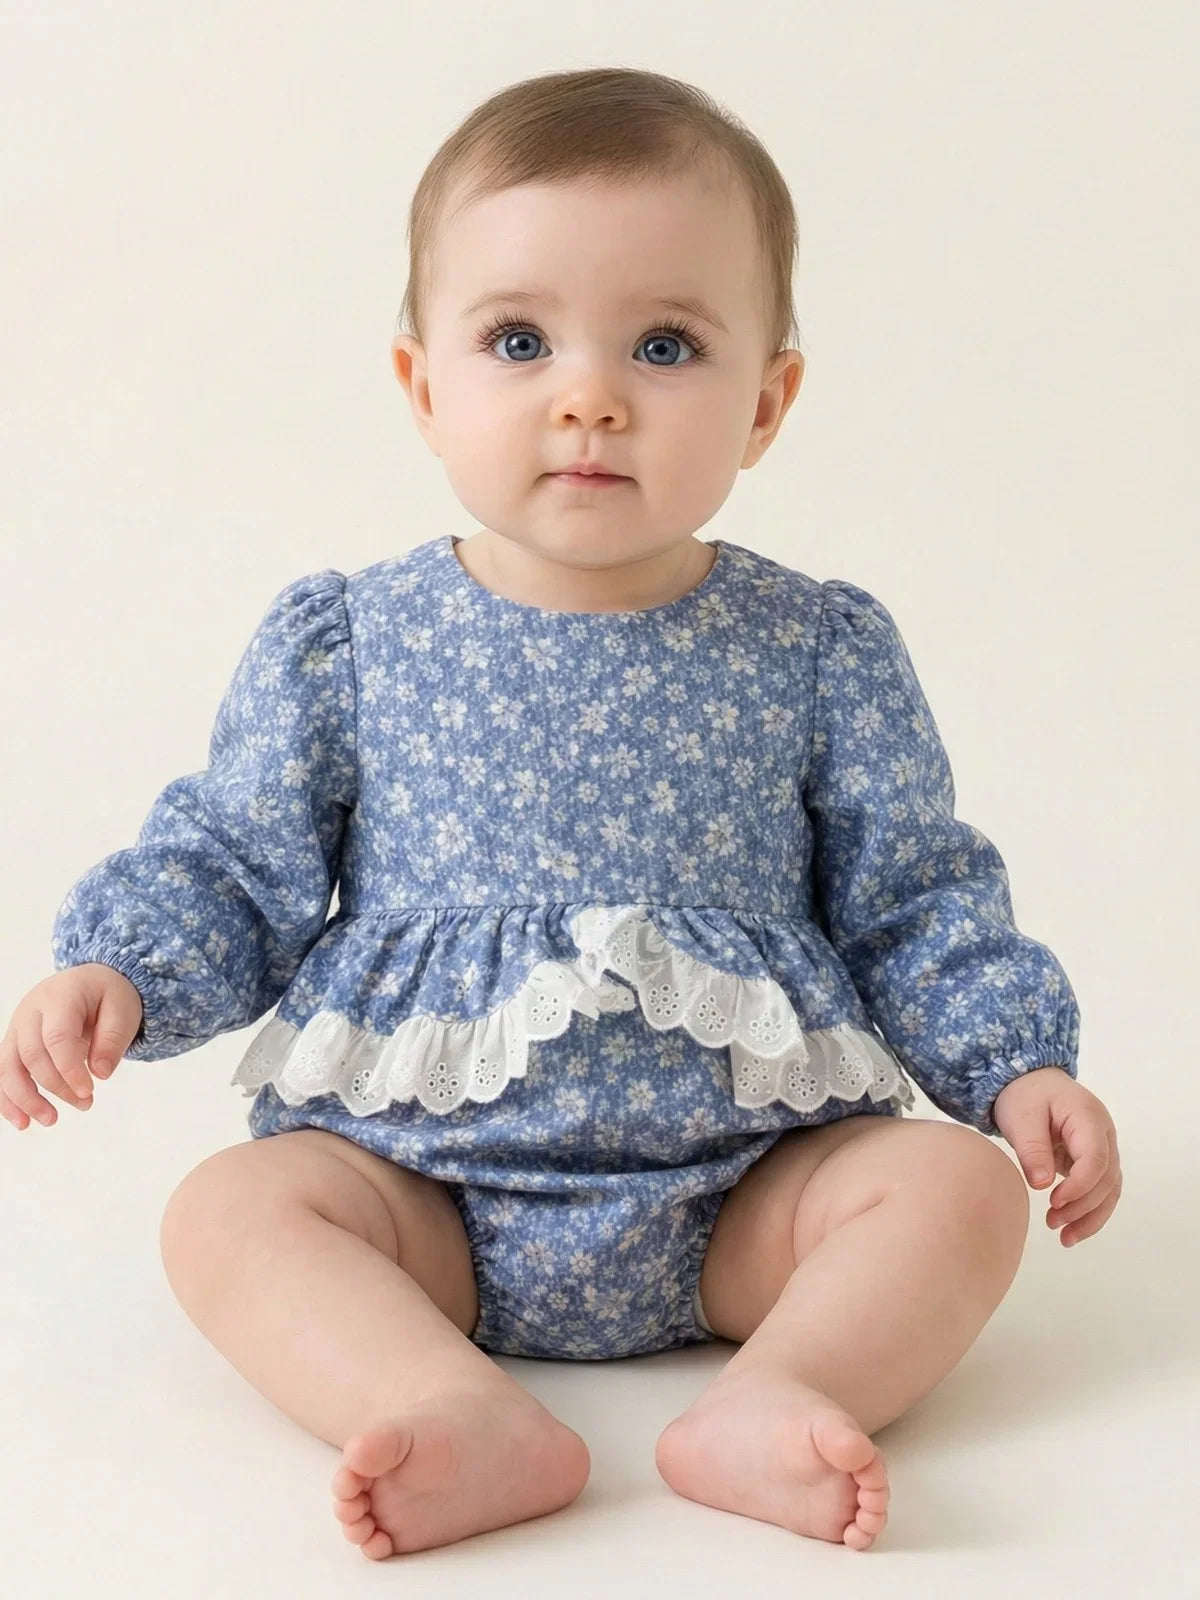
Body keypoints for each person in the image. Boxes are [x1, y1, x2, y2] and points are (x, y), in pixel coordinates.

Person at [2, 66, 1121, 1560]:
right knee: (231, 1212)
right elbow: (235, 858)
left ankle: (778, 1393)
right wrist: (125, 972)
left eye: (666, 345)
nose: (587, 394)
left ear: (769, 402)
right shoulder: (350, 643)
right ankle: (434, 1396)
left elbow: (913, 895)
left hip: (745, 1197)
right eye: (518, 340)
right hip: (423, 1200)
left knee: (953, 1192)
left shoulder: (816, 651)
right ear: (422, 384)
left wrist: (1012, 1066)